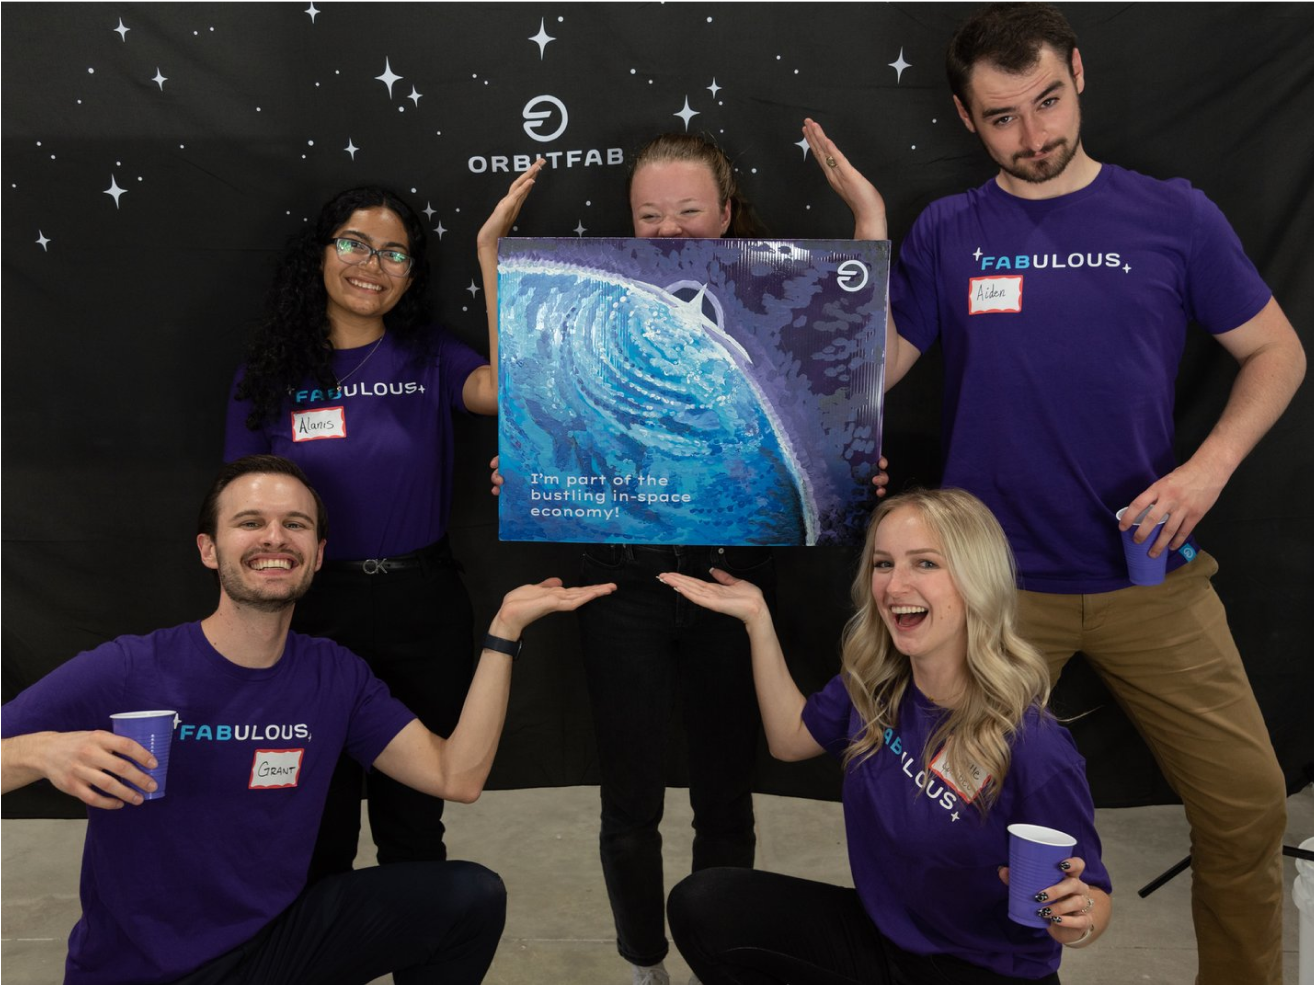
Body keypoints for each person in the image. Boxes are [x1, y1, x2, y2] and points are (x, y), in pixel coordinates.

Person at [803, 3, 1306, 982]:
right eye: (1003, 118)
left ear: (1077, 73)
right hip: (990, 593)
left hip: (1146, 574)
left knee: (1249, 805)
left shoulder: (1174, 216)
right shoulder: (952, 230)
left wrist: (1207, 467)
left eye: (1047, 101)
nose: (1033, 136)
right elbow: (864, 376)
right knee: (955, 822)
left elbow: (1276, 352)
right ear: (965, 117)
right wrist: (868, 233)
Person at [0, 454, 614, 985]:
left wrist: (503, 632)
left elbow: (458, 776)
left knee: (466, 897)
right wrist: (40, 752)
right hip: (139, 970)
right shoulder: (129, 668)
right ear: (208, 550)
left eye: (295, 524)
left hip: (272, 950)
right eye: (250, 523)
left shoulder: (334, 675)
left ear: (318, 555)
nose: (275, 538)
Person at [482, 134, 802, 985]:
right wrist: (526, 459)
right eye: (648, 214)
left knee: (725, 796)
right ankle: (642, 961)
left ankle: (721, 956)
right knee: (628, 800)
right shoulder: (601, 304)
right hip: (618, 582)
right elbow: (544, 408)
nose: (666, 230)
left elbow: (818, 431)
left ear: (726, 215)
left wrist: (852, 460)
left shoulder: (778, 299)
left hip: (731, 583)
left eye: (688, 212)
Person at [661, 488, 1111, 984]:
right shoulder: (876, 687)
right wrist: (757, 619)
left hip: (980, 970)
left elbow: (1091, 899)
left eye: (924, 564)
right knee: (706, 906)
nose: (895, 586)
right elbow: (789, 740)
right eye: (882, 564)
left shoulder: (1033, 745)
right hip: (883, 943)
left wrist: (1078, 917)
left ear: (975, 579)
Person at [224, 179, 536, 881]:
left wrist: (492, 256)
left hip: (421, 609)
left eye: (395, 254)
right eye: (355, 244)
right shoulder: (269, 375)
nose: (372, 264)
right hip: (308, 615)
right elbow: (237, 506)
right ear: (320, 255)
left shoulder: (428, 355)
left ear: (412, 275)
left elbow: (508, 389)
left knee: (413, 826)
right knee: (316, 826)